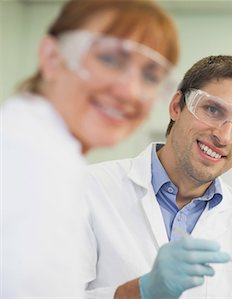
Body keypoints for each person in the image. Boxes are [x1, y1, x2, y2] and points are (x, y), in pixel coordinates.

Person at [1, 0, 178, 297]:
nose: (130, 91)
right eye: (109, 59)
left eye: (150, 76)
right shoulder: (21, 157)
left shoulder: (53, 160)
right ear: (52, 57)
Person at [83, 55, 232, 299]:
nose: (224, 136)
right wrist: (137, 292)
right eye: (213, 109)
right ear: (177, 105)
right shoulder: (87, 189)